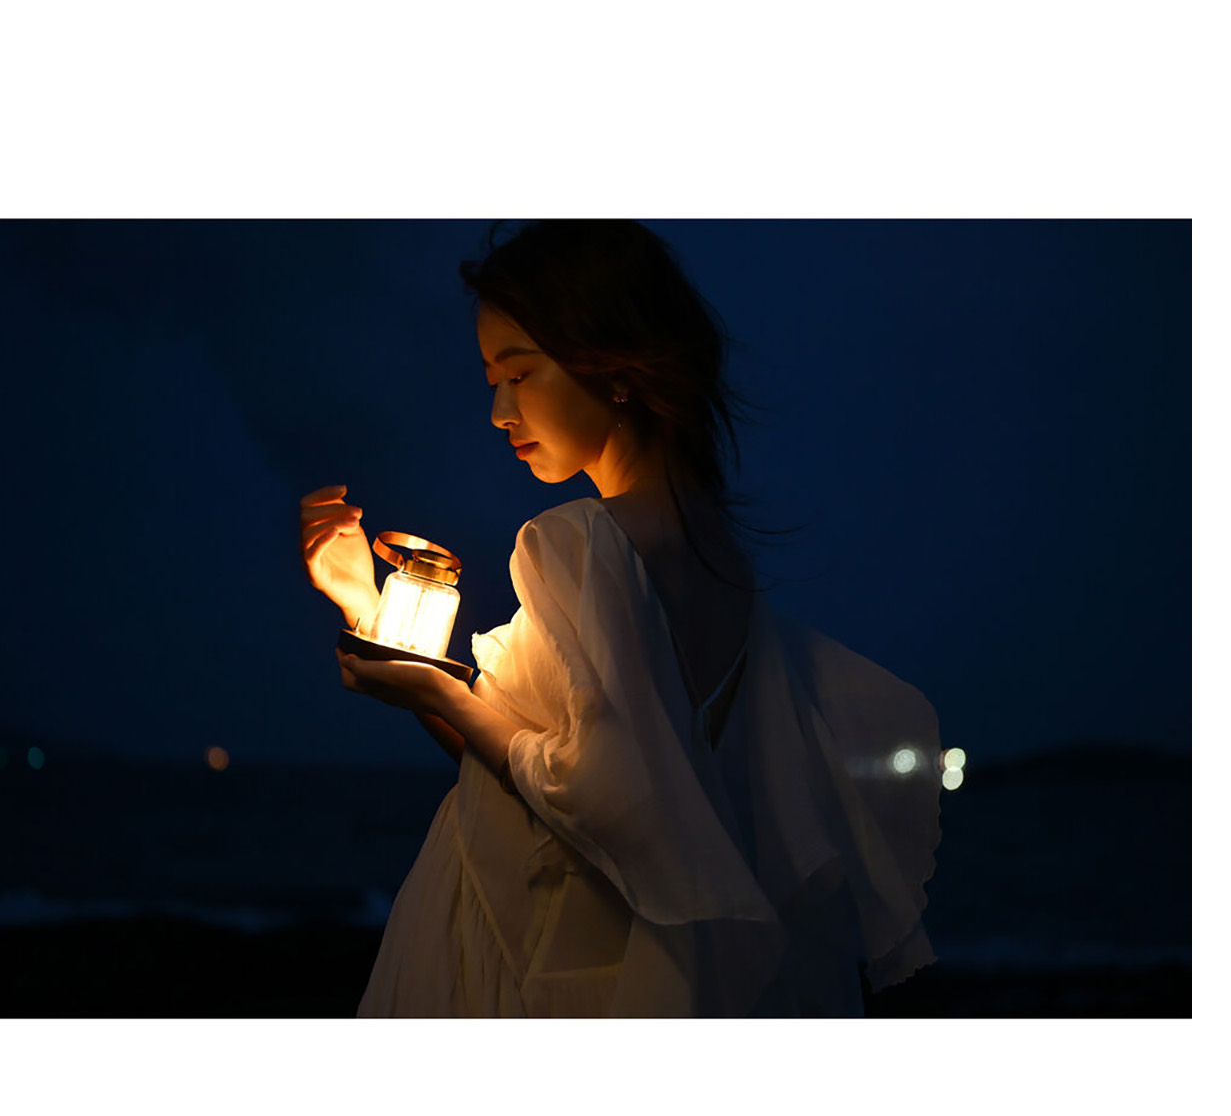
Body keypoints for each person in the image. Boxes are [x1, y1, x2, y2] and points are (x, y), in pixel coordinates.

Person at [299, 220, 941, 1017]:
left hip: (525, 959)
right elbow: (538, 766)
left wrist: (434, 693)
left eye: (520, 374)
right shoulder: (720, 557)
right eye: (492, 380)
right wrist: (370, 609)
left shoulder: (578, 541)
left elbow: (598, 796)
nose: (500, 411)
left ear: (614, 364)